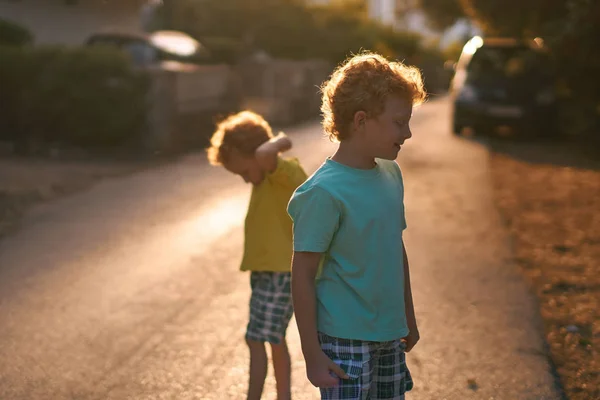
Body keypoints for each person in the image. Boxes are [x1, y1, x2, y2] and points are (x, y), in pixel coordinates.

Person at [287, 52, 426, 399]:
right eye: (399, 122)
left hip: (389, 335)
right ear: (362, 120)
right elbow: (301, 274)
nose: (407, 133)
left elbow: (396, 249)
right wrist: (312, 355)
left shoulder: (391, 175)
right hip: (343, 340)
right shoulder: (324, 191)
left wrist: (407, 316)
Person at [207, 111, 308, 400]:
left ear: (253, 155)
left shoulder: (282, 173)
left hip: (283, 272)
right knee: (270, 339)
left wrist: (280, 141)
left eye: (243, 172)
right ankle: (281, 396)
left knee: (259, 338)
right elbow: (260, 156)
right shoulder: (265, 178)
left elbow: (265, 152)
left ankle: (265, 396)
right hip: (267, 273)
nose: (244, 180)